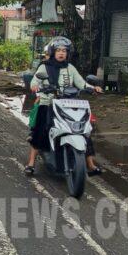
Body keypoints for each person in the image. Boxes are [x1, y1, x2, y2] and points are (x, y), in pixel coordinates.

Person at [24, 37, 103, 176]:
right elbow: (35, 81)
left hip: (68, 104)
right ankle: (31, 163)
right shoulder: (44, 67)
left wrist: (93, 88)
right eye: (58, 50)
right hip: (48, 103)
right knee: (40, 130)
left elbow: (81, 83)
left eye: (64, 51)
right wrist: (35, 86)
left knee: (83, 129)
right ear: (53, 52)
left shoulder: (70, 68)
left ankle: (90, 164)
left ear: (67, 53)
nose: (61, 53)